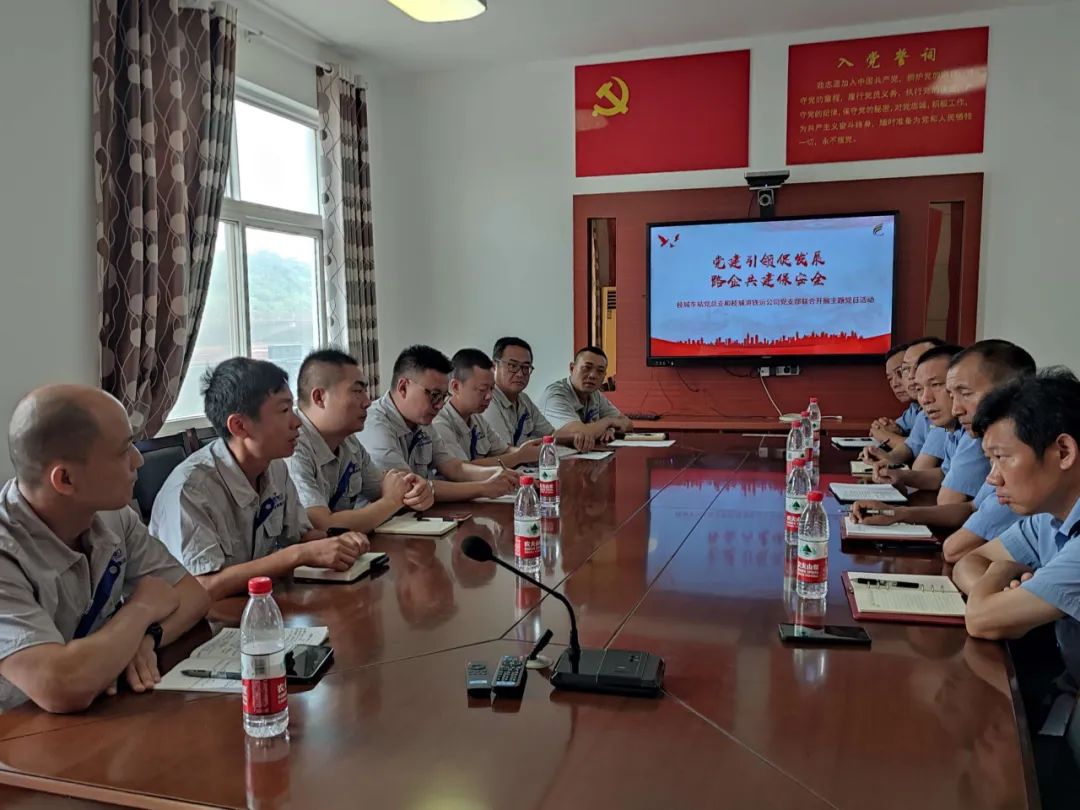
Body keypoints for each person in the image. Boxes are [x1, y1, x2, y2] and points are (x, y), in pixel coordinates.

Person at [0, 385, 209, 712]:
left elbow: (193, 595)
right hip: (19, 729)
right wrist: (141, 609)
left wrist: (145, 638)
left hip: (96, 711)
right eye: (123, 450)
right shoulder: (6, 552)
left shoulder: (111, 515)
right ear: (65, 479)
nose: (138, 459)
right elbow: (61, 686)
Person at [150, 358, 370, 600]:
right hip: (204, 617)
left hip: (257, 603)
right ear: (239, 426)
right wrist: (298, 555)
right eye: (284, 411)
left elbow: (300, 537)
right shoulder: (191, 490)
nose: (297, 422)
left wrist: (339, 541)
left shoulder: (275, 467)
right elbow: (203, 587)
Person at [853, 341, 1035, 560]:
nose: (956, 408)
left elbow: (953, 545)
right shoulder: (970, 433)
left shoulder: (1014, 455)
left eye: (964, 393)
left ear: (1009, 392)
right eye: (951, 393)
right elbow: (970, 506)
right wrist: (895, 513)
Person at [952, 370, 1080, 649]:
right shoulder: (1049, 518)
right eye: (990, 460)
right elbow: (968, 561)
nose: (993, 478)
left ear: (1064, 452)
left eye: (1001, 457)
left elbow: (981, 619)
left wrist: (998, 575)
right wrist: (999, 592)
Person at [286, 349, 435, 535]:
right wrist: (391, 501)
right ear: (319, 398)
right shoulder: (292, 446)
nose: (367, 402)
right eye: (357, 391)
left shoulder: (349, 442)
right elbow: (323, 526)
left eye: (365, 391)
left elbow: (389, 488)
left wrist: (419, 492)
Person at [358, 345, 519, 502]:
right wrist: (483, 488)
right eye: (434, 395)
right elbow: (409, 488)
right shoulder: (374, 425)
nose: (440, 405)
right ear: (403, 387)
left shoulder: (422, 421)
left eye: (443, 396)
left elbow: (453, 467)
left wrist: (500, 473)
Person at [433, 349, 544, 468]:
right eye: (482, 389)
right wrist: (520, 456)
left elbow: (504, 450)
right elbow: (463, 469)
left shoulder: (477, 418)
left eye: (491, 388)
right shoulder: (439, 423)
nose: (489, 396)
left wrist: (527, 451)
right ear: (455, 387)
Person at [482, 337, 594, 452]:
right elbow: (504, 451)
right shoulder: (487, 400)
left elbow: (550, 435)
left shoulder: (523, 399)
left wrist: (575, 438)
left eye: (526, 367)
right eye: (512, 366)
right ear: (494, 366)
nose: (520, 374)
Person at [862, 337, 945, 467]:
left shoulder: (947, 418)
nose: (911, 376)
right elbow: (910, 446)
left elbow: (921, 467)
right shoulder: (922, 412)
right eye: (906, 369)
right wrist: (884, 457)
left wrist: (884, 436)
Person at [539, 346, 633, 441]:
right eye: (586, 368)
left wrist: (611, 429)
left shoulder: (595, 394)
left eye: (600, 371)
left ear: (604, 375)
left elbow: (627, 423)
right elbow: (582, 434)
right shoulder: (555, 395)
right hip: (549, 450)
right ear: (572, 368)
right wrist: (607, 421)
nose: (593, 375)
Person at [869, 342, 917, 443]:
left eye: (900, 372)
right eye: (890, 378)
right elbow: (893, 428)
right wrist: (883, 427)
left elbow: (920, 447)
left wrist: (884, 435)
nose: (894, 384)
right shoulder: (914, 409)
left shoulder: (935, 409)